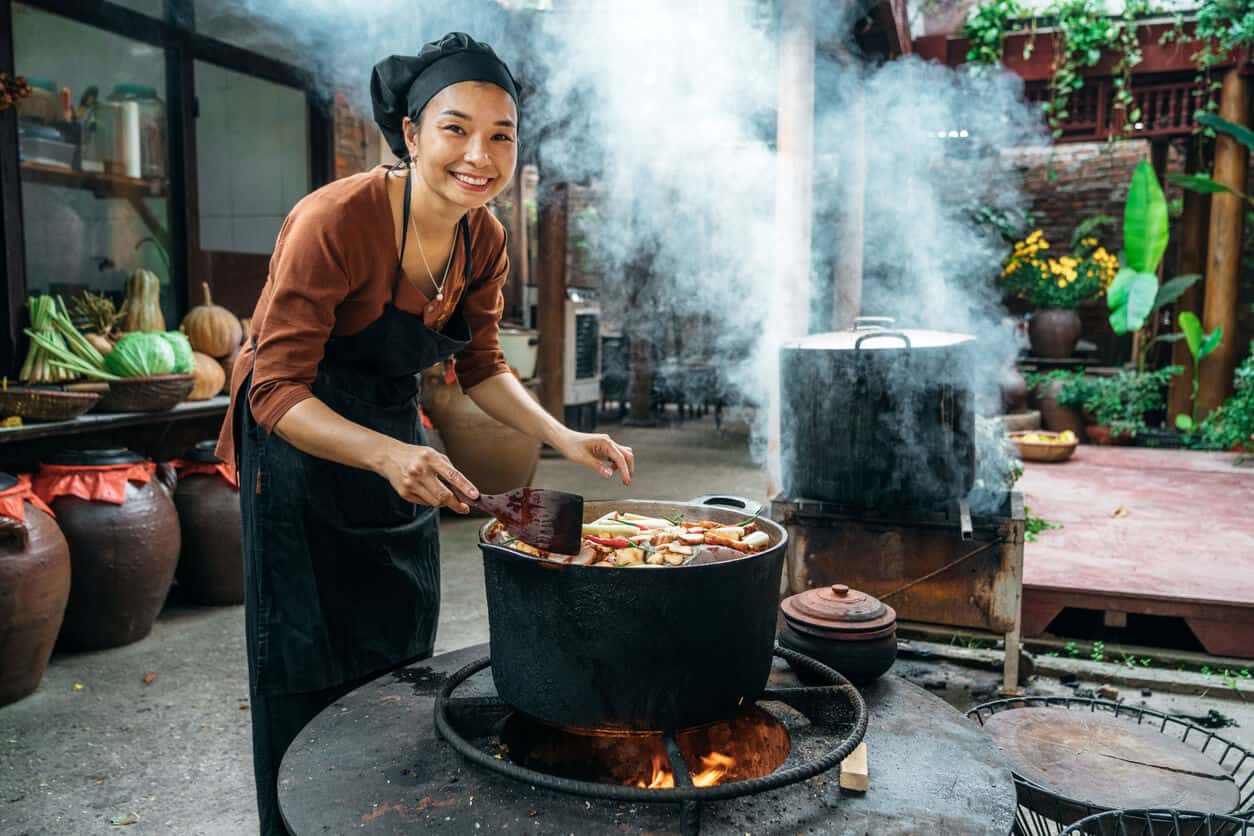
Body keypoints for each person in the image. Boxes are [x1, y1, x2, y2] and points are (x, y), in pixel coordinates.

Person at [215, 32, 635, 835]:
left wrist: (565, 437)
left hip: (388, 427)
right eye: (455, 128)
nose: (479, 154)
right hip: (298, 444)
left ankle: (376, 818)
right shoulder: (334, 220)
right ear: (410, 135)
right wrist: (383, 452)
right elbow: (273, 389)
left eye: (501, 135)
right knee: (305, 652)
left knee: (400, 635)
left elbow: (481, 367)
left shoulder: (486, 239)